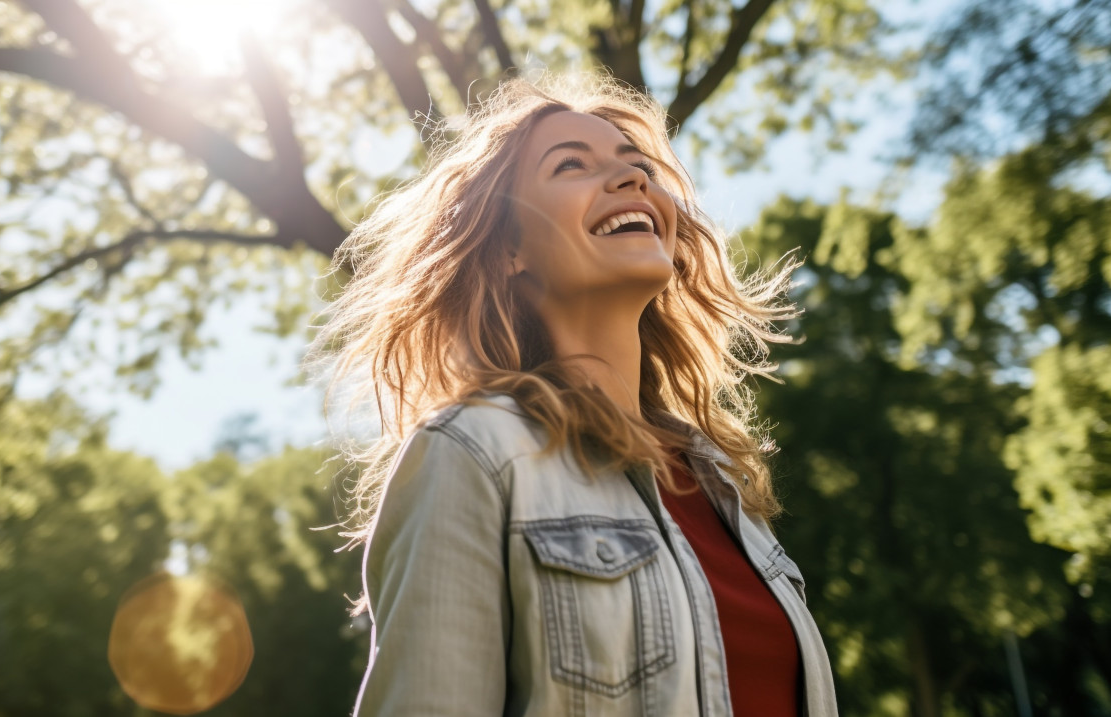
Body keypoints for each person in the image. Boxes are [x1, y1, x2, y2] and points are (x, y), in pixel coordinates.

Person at [305, 71, 837, 717]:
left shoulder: (721, 479)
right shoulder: (475, 452)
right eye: (572, 165)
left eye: (637, 164)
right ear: (508, 249)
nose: (633, 179)